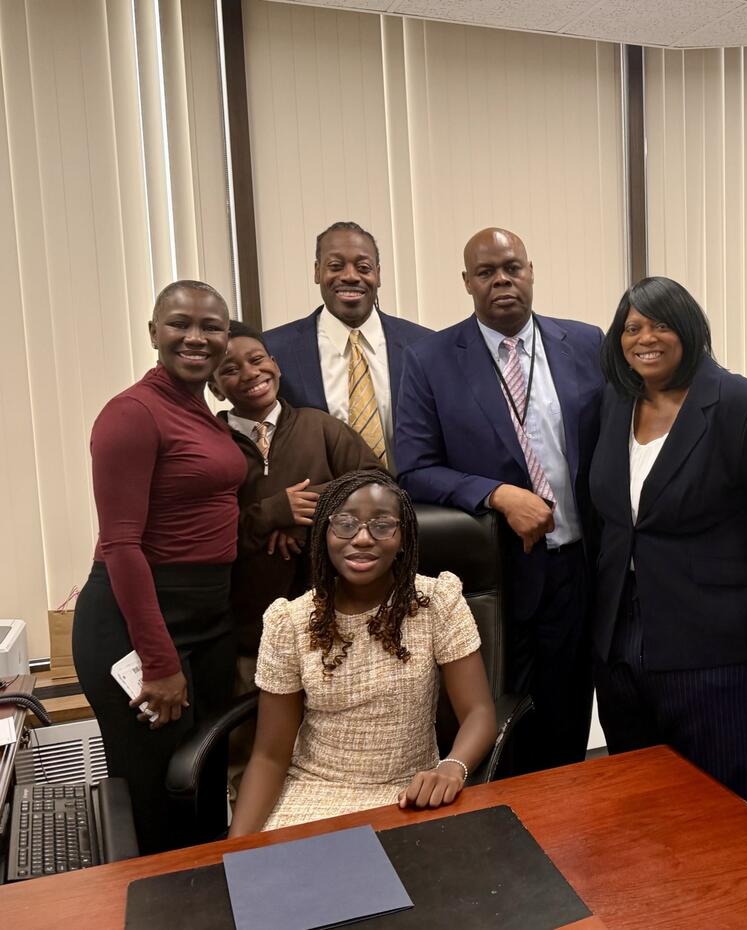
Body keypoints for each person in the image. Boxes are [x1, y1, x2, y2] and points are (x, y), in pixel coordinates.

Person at [394, 227, 602, 773]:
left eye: (512, 267)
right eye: (486, 272)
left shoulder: (584, 343)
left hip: (578, 568)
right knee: (503, 728)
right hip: (497, 575)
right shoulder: (430, 359)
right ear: (467, 283)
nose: (502, 280)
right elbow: (413, 468)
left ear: (531, 271)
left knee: (569, 717)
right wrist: (499, 494)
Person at [590, 277, 747, 814]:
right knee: (643, 812)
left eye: (660, 323)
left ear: (690, 329)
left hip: (718, 653)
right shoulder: (615, 403)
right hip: (622, 645)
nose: (644, 338)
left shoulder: (743, 408)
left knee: (729, 816)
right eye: (632, 327)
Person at [73, 280, 246, 854]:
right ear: (154, 333)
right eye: (179, 324)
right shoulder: (131, 414)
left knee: (201, 787)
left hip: (208, 618)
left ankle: (212, 904)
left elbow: (210, 508)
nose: (196, 337)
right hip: (141, 624)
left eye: (212, 326)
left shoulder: (199, 410)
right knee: (156, 804)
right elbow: (121, 545)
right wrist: (158, 660)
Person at [229, 469, 497, 835]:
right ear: (324, 533)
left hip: (407, 793)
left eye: (383, 526)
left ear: (403, 537)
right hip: (312, 797)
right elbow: (269, 757)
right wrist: (234, 852)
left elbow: (479, 713)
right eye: (345, 525)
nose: (363, 539)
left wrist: (452, 767)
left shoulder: (437, 602)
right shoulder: (289, 622)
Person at [209, 321, 379, 674]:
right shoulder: (209, 443)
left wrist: (309, 515)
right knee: (258, 726)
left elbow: (381, 486)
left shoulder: (319, 426)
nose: (249, 373)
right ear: (215, 387)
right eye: (230, 369)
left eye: (257, 359)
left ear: (276, 363)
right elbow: (205, 534)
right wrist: (270, 513)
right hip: (248, 631)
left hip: (330, 618)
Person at [264, 221, 432, 472]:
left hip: (416, 505)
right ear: (317, 272)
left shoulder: (426, 346)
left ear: (378, 273)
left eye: (363, 267)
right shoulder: (274, 350)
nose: (350, 276)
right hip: (320, 505)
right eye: (335, 266)